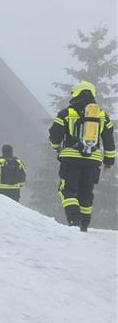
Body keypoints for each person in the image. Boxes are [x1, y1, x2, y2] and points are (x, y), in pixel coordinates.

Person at [49, 80, 115, 231]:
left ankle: (74, 221)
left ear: (76, 93)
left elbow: (54, 136)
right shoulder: (102, 115)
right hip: (93, 161)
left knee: (67, 190)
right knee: (86, 191)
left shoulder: (66, 113)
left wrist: (57, 148)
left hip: (71, 159)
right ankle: (84, 225)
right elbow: (109, 140)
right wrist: (109, 161)